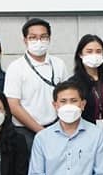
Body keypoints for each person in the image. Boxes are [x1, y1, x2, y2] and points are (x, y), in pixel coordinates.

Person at [5, 18, 67, 149]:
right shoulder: (16, 67)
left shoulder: (59, 64)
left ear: (49, 39)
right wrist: (40, 131)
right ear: (25, 40)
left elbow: (66, 97)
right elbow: (13, 105)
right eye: (33, 37)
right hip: (24, 131)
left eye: (43, 37)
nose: (39, 41)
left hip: (55, 128)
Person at [69, 34, 103, 141]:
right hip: (84, 138)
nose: (94, 55)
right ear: (80, 54)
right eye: (89, 51)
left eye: (98, 51)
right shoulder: (73, 83)